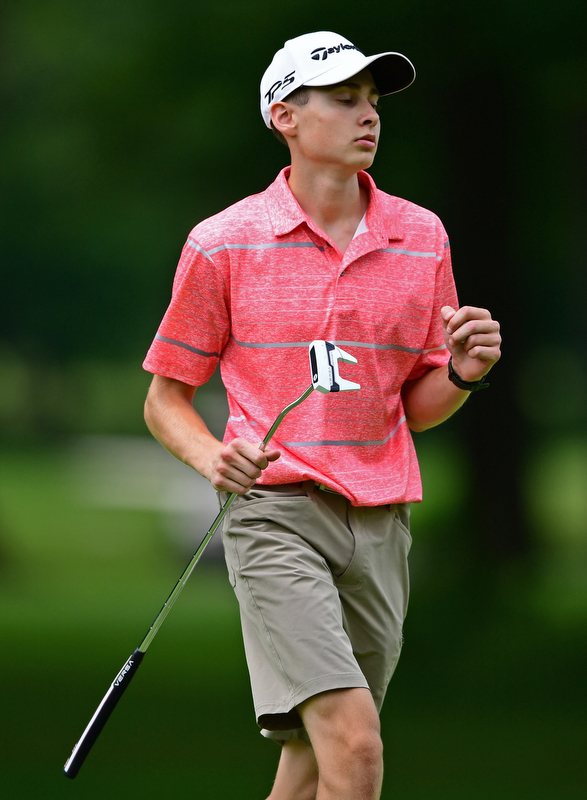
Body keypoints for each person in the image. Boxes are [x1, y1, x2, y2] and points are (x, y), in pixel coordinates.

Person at [142, 31, 501, 800]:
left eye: (372, 101)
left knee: (311, 762)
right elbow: (164, 397)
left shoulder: (421, 235)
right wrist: (213, 458)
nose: (367, 115)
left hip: (380, 517)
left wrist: (464, 375)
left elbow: (413, 405)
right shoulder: (223, 243)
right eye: (343, 99)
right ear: (284, 116)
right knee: (355, 742)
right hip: (273, 513)